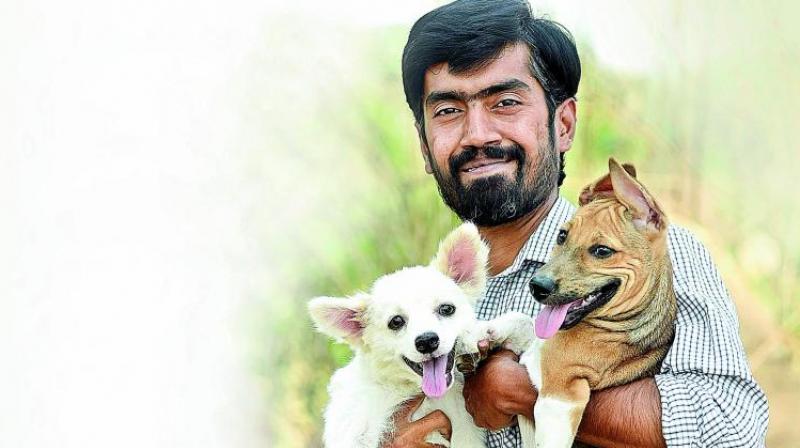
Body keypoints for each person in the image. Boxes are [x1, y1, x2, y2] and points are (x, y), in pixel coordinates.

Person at [383, 0, 770, 447]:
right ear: (424, 145)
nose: (478, 134)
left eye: (505, 102)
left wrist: (524, 388)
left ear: (563, 123)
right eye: (448, 111)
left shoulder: (650, 253)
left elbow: (731, 427)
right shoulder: (420, 302)